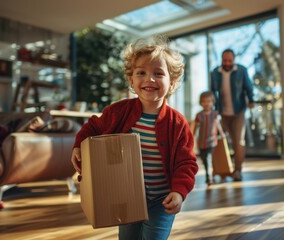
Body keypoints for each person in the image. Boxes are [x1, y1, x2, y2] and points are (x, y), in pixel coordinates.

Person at [71, 35, 198, 240]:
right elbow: (93, 126)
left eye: (158, 73)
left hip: (161, 199)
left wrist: (179, 191)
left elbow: (186, 163)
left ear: (172, 82)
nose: (150, 79)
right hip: (126, 195)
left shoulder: (178, 123)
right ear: (131, 80)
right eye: (141, 73)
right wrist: (78, 146)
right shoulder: (118, 112)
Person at [211, 49, 254, 181]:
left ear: (233, 60)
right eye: (225, 60)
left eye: (230, 60)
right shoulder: (215, 73)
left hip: (238, 111)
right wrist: (213, 108)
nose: (227, 63)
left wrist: (251, 100)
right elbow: (213, 91)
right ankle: (221, 169)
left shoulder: (241, 70)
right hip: (223, 113)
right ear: (221, 60)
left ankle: (237, 171)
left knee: (238, 141)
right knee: (218, 141)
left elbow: (249, 87)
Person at [191, 91, 225, 186]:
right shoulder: (199, 115)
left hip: (211, 140)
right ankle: (209, 172)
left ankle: (208, 177)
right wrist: (191, 136)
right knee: (203, 158)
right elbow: (195, 126)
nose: (207, 103)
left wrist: (221, 133)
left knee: (208, 157)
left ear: (213, 102)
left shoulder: (214, 114)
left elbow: (217, 124)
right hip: (201, 141)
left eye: (209, 101)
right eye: (204, 101)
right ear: (201, 103)